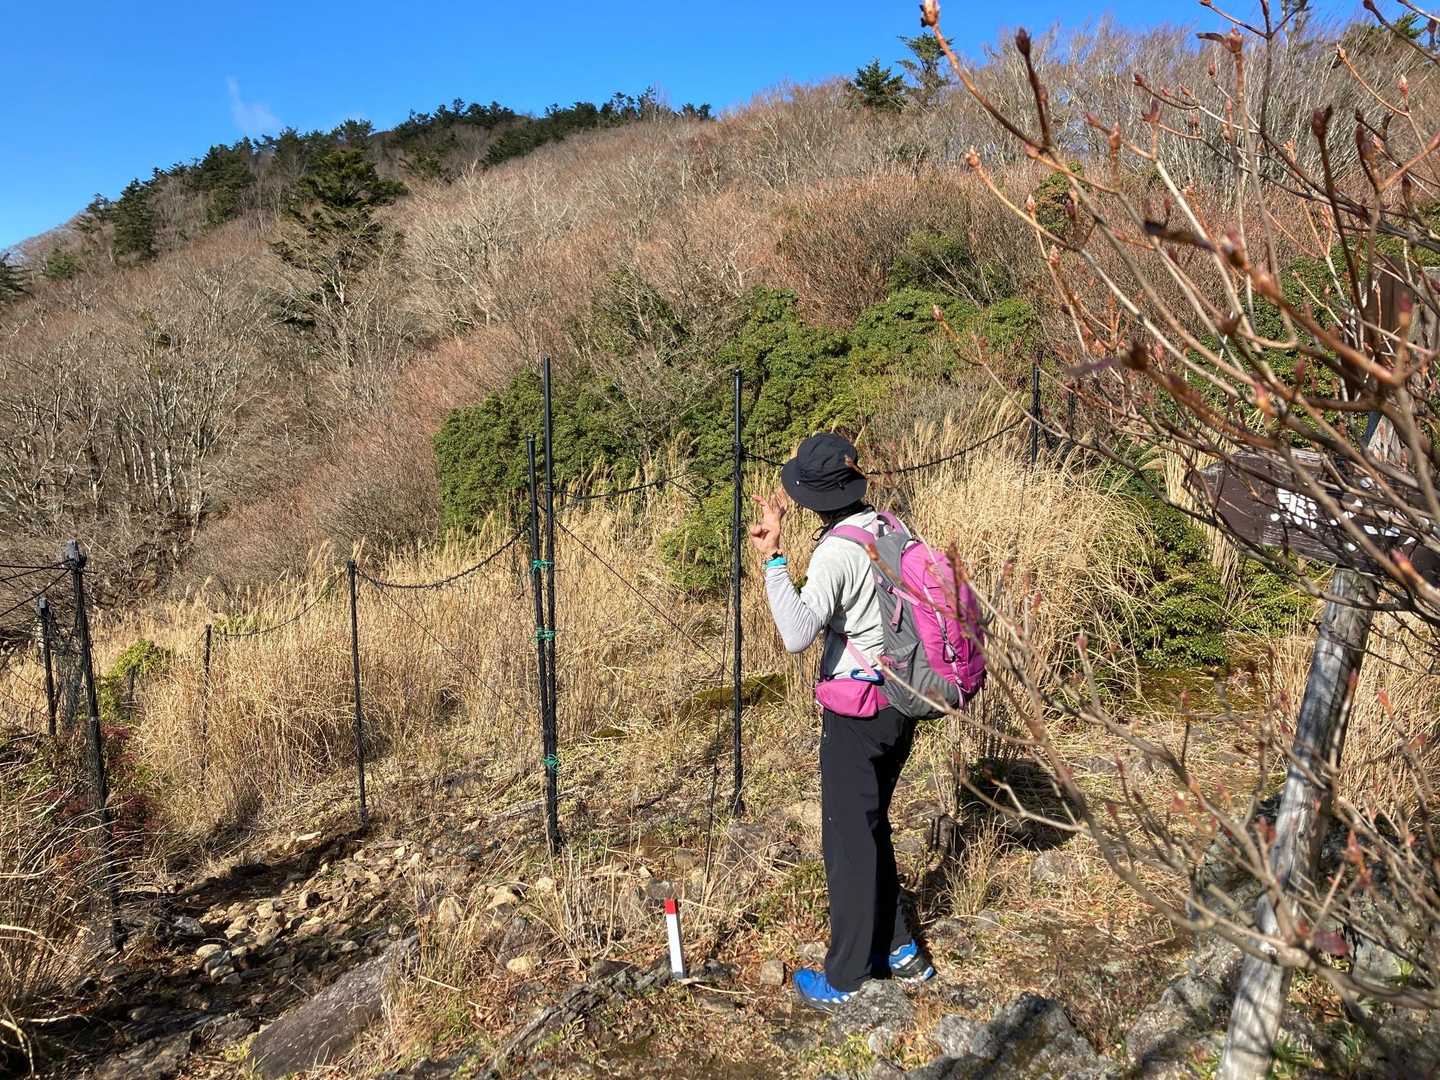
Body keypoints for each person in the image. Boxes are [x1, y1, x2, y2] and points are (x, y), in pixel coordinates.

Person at [748, 432, 934, 1009]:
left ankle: (847, 976)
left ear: (812, 498)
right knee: (870, 826)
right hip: (902, 701)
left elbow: (796, 634)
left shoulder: (836, 552)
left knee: (847, 841)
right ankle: (901, 949)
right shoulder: (888, 526)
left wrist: (773, 559)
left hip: (858, 712)